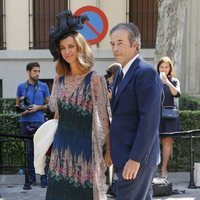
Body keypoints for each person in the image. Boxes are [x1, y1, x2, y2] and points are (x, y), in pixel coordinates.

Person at [46, 10, 111, 200]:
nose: (67, 52)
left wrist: (109, 151)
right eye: (63, 48)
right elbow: (57, 115)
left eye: (71, 46)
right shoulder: (58, 79)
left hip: (86, 150)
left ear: (80, 47)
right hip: (61, 150)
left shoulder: (95, 79)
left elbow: (105, 117)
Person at [109, 22, 163, 200]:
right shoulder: (119, 73)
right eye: (112, 44)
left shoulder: (145, 72)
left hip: (136, 158)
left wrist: (136, 158)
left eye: (120, 43)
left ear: (135, 45)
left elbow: (149, 120)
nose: (115, 48)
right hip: (124, 155)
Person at [16, 62, 50, 187]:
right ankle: (30, 180)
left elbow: (50, 106)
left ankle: (44, 180)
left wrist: (38, 107)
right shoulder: (20, 87)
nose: (37, 73)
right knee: (29, 152)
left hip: (40, 122)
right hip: (25, 122)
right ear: (28, 72)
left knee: (42, 151)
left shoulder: (44, 86)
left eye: (38, 71)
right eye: (35, 71)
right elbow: (17, 106)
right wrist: (22, 109)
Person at [157, 56, 181, 179]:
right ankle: (152, 168)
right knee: (153, 141)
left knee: (167, 142)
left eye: (166, 67)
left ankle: (163, 169)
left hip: (169, 116)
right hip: (155, 115)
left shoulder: (174, 81)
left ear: (170, 68)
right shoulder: (153, 79)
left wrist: (167, 82)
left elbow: (177, 94)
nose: (164, 69)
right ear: (158, 68)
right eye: (162, 67)